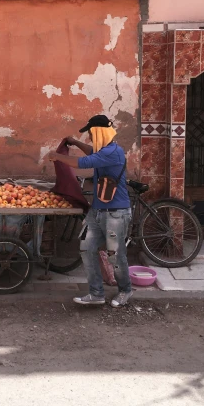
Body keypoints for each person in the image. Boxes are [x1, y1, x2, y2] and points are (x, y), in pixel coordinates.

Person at [47, 114, 133, 307]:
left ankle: (125, 290)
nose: (91, 138)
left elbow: (84, 163)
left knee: (115, 255)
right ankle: (96, 294)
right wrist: (75, 142)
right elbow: (91, 152)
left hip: (116, 213)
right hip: (97, 212)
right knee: (87, 249)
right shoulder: (104, 150)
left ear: (100, 132)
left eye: (92, 134)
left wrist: (57, 156)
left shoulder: (113, 152)